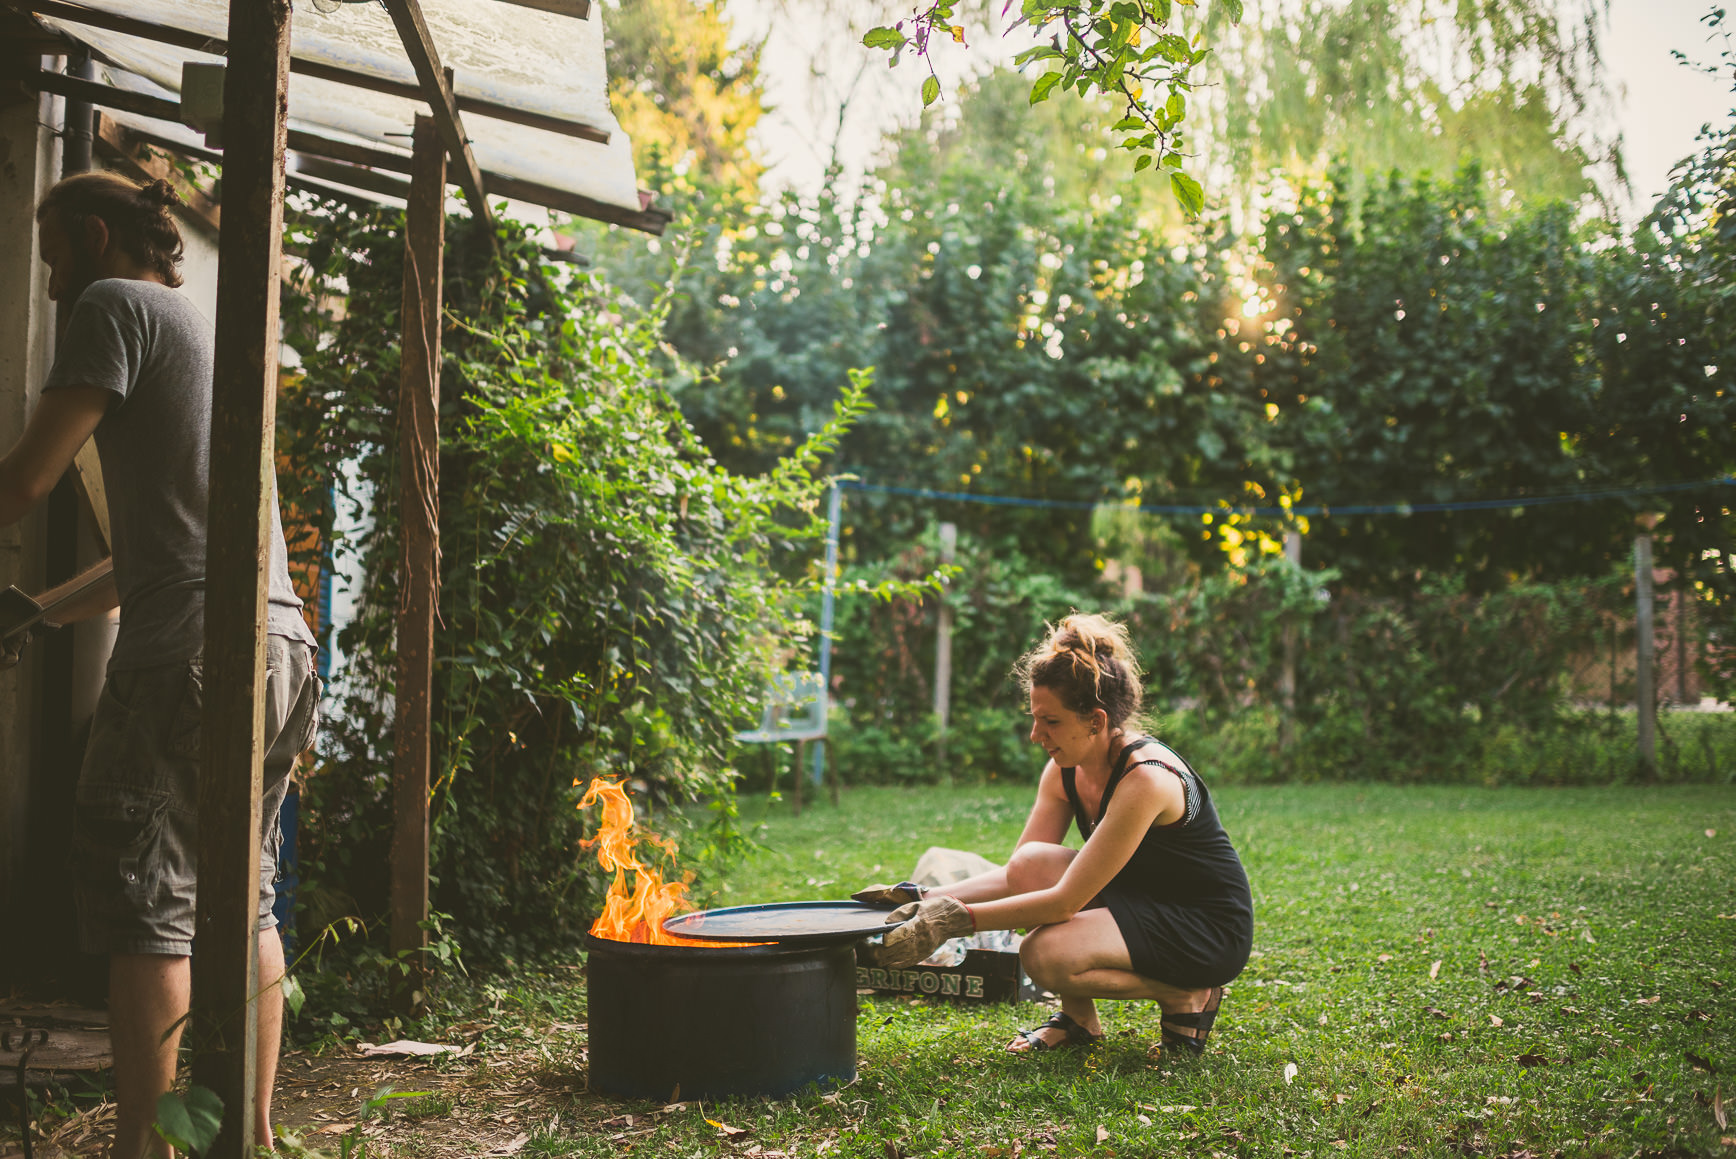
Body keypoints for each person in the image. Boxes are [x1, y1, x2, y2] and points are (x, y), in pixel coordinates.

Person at [8, 170, 320, 1158]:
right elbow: (156, 554)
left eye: (53, 260)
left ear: (94, 238)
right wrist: (39, 614)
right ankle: (257, 1137)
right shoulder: (205, 328)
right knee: (245, 894)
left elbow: (30, 476)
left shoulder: (111, 304)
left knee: (149, 905)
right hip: (277, 644)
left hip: (184, 653)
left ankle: (144, 1149)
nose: (53, 288)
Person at [855, 613, 1253, 1054]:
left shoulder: (1146, 778)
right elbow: (1018, 875)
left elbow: (1063, 901)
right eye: (1034, 718)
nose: (1035, 734)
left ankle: (1187, 996)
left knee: (1043, 955)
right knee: (1030, 863)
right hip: (1141, 902)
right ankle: (1079, 1022)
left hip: (1204, 926)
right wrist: (921, 899)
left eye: (1052, 722)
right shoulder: (1065, 769)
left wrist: (953, 922)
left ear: (1096, 721)